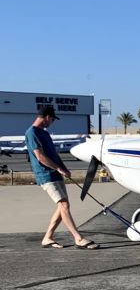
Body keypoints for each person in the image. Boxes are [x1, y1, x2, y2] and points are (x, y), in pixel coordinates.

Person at [25, 106, 100, 250]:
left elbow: (54, 154)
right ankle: (78, 238)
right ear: (47, 117)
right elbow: (40, 156)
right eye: (52, 119)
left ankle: (48, 238)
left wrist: (63, 167)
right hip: (45, 174)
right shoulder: (32, 133)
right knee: (63, 205)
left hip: (55, 173)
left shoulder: (44, 134)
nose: (52, 122)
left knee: (63, 206)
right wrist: (58, 168)